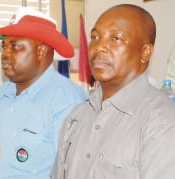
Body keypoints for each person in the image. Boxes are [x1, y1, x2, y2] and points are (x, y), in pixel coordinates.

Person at [51, 4, 175, 179]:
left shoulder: (163, 122)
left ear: (145, 53)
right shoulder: (77, 116)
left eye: (115, 38)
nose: (99, 46)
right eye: (94, 37)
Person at [0, 7, 87, 179]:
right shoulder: (1, 93)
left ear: (40, 51)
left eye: (14, 46)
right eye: (4, 46)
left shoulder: (66, 100)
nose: (5, 54)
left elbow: (72, 170)